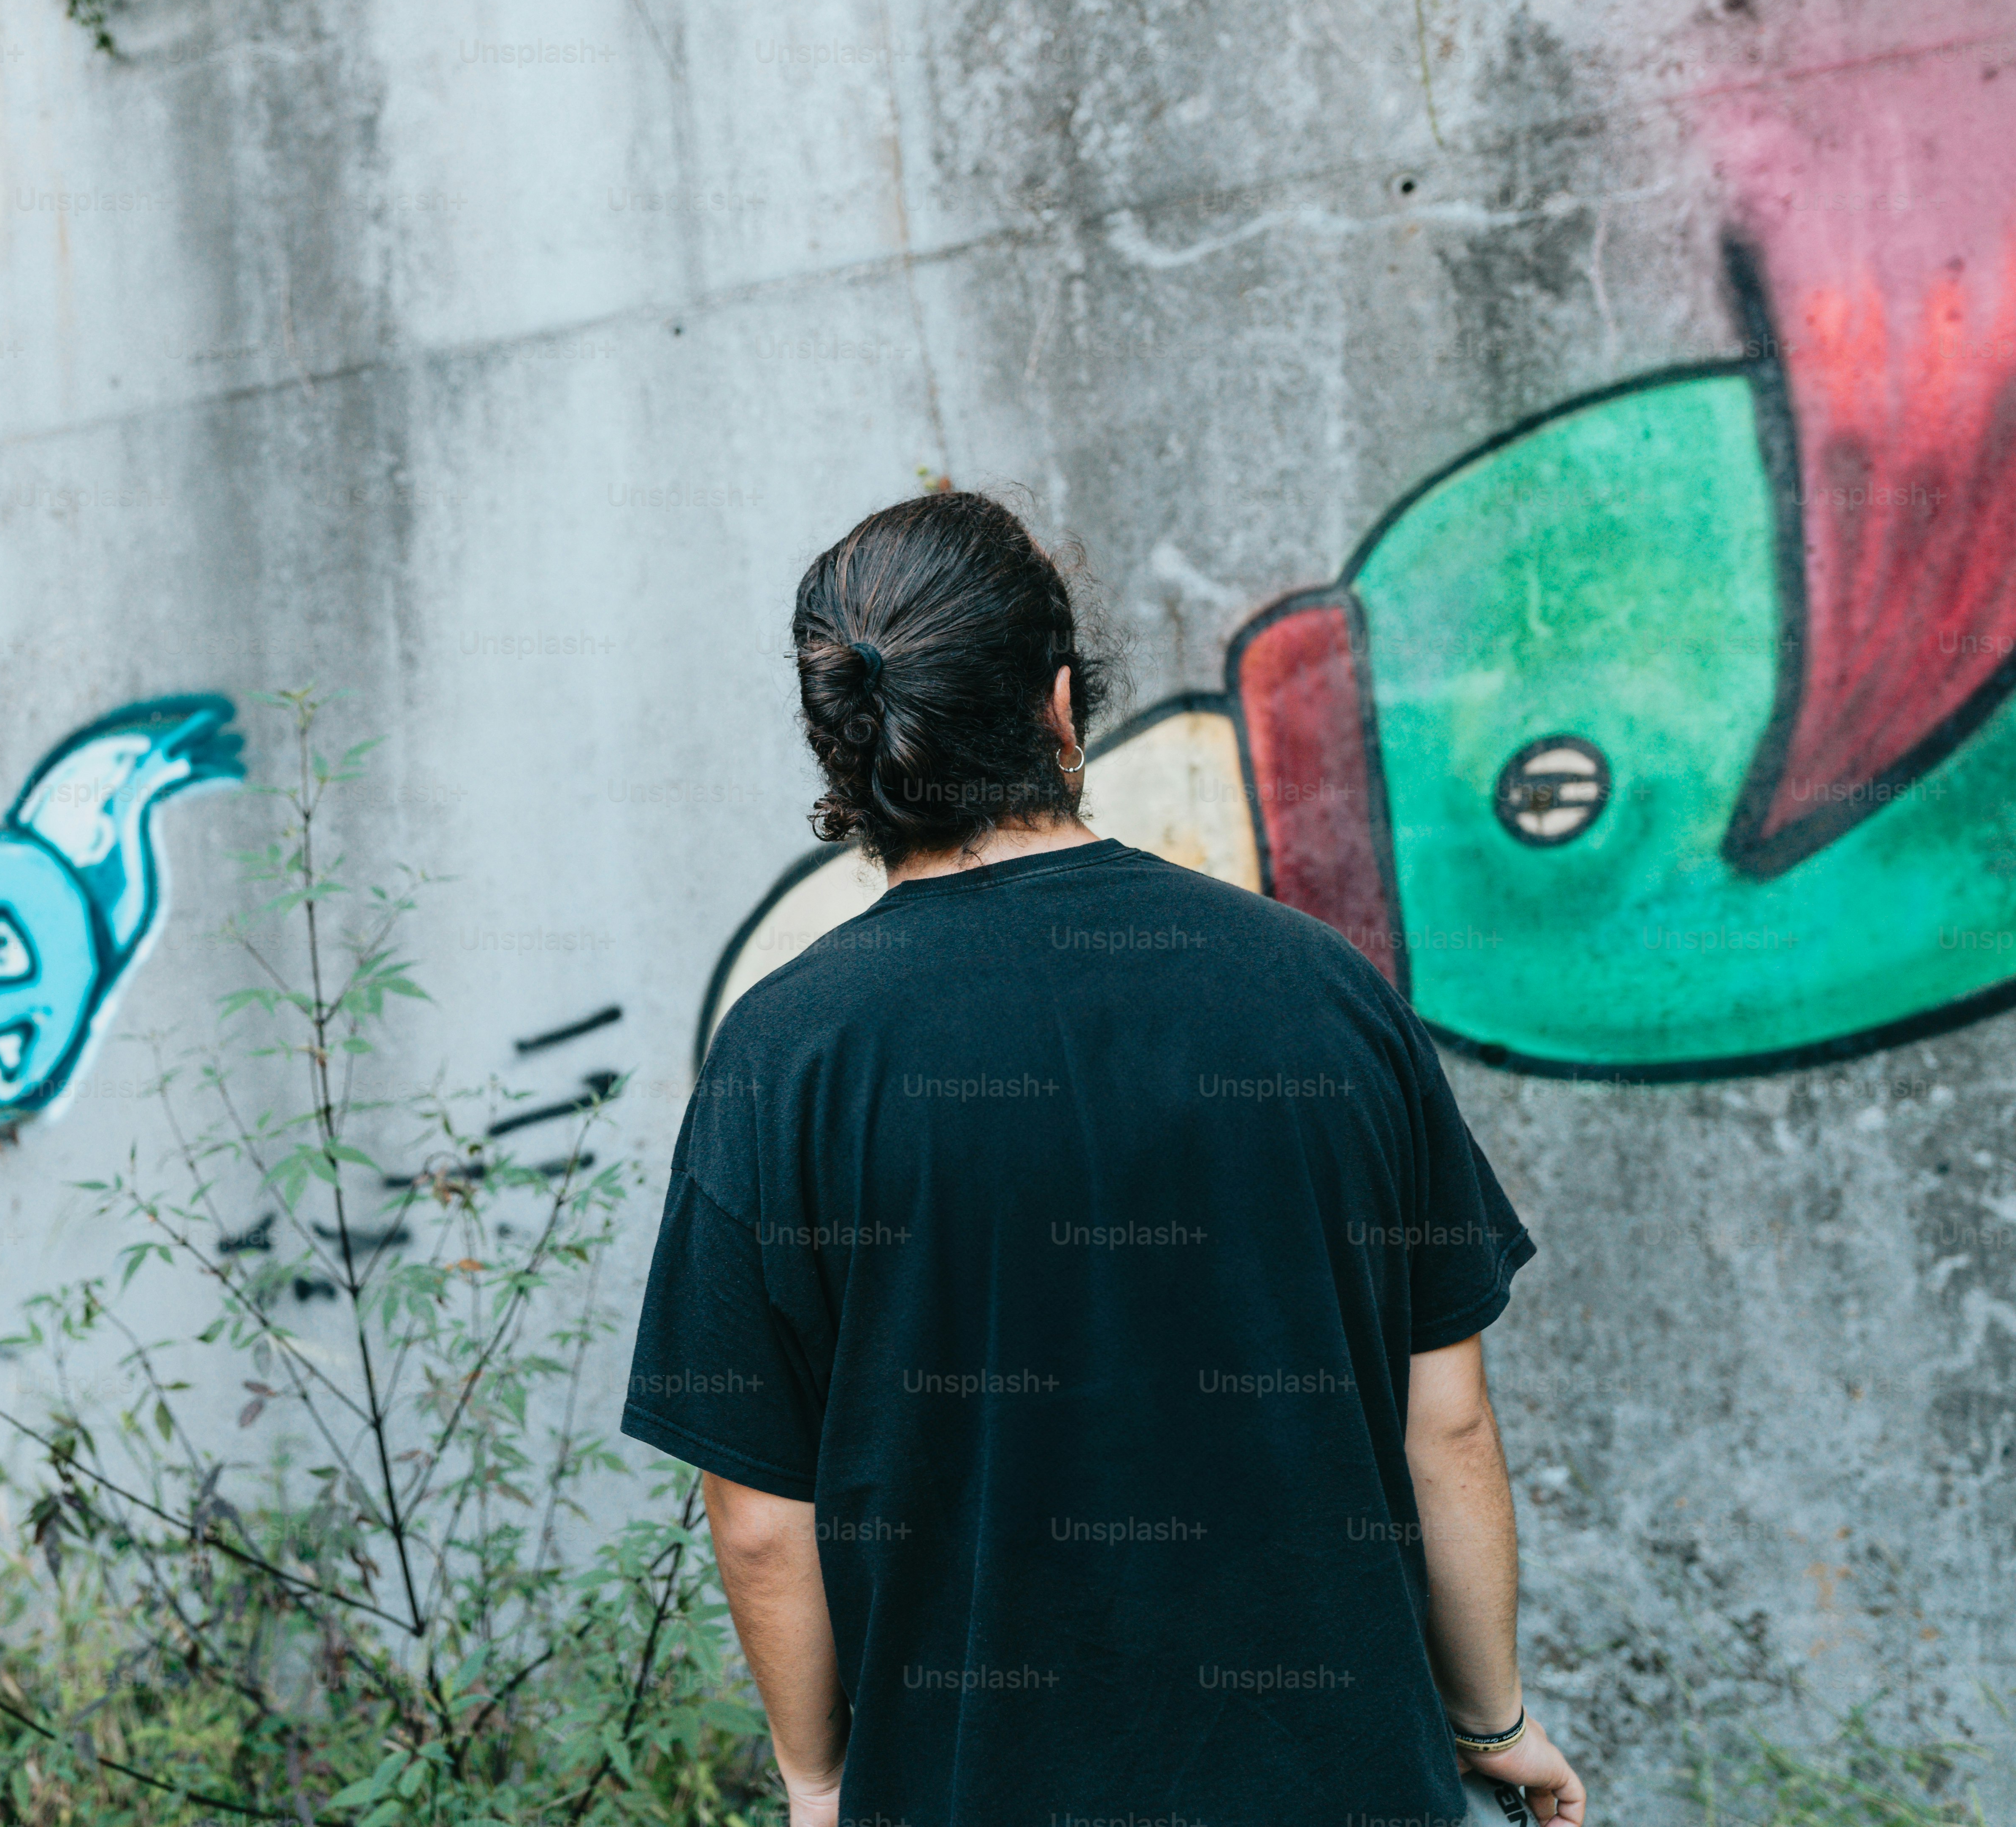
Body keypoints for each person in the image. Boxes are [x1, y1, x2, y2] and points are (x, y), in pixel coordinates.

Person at [622, 492, 1586, 1825]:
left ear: (850, 754)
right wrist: (1494, 1721)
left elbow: (761, 1519)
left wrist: (820, 1779)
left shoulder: (784, 1061)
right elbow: (1450, 1423)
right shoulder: (1322, 995)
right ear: (1062, 706)